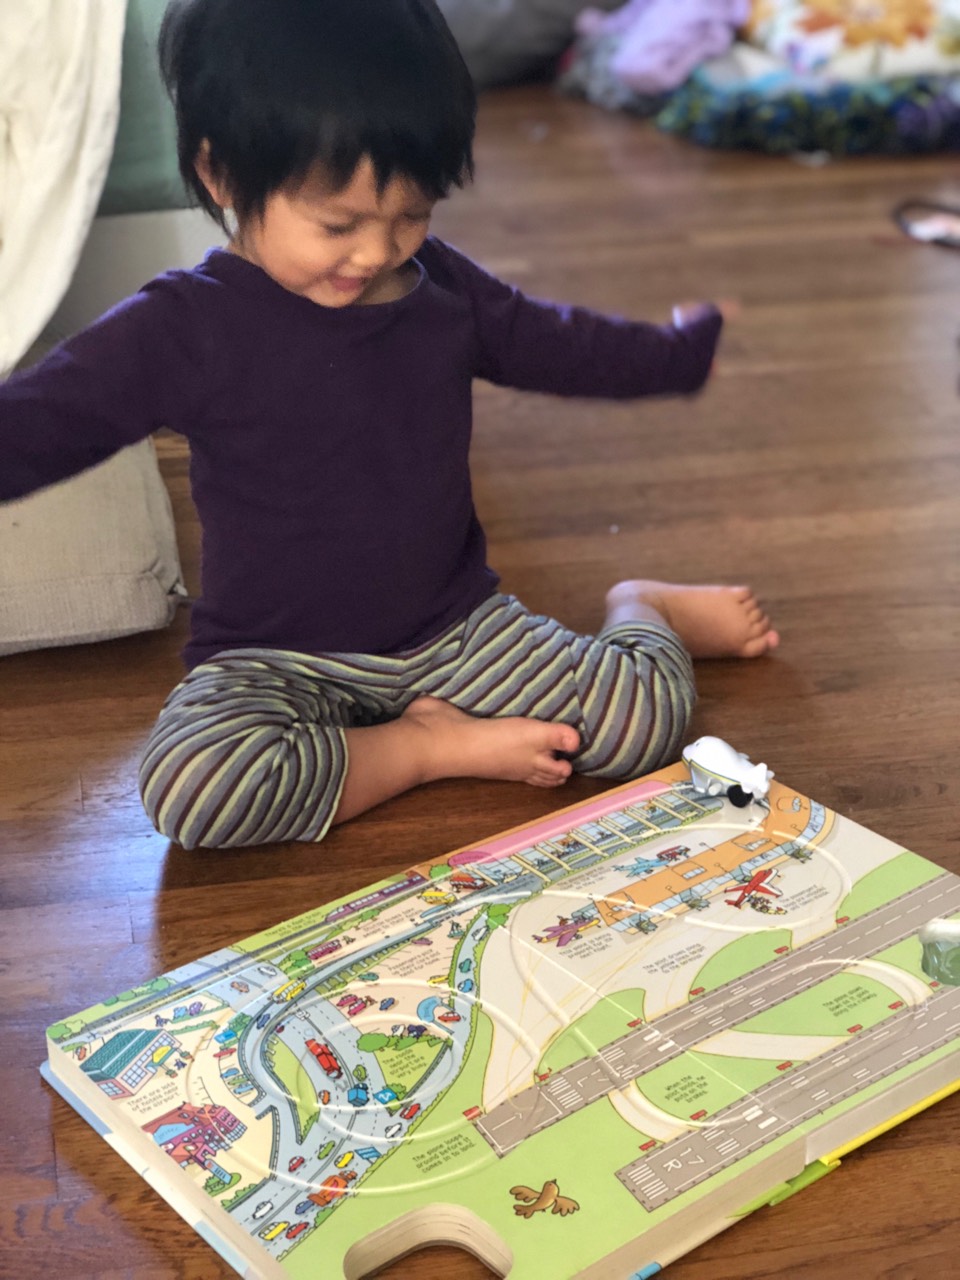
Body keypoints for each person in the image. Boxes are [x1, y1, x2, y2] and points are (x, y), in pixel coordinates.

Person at [0, 0, 778, 850]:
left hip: (454, 628)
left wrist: (677, 352)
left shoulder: (439, 288)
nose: (375, 252)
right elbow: (46, 420)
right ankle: (420, 750)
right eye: (337, 223)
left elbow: (558, 344)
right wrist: (420, 749)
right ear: (221, 176)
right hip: (273, 659)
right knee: (194, 791)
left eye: (412, 215)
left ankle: (643, 605)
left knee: (643, 722)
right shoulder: (181, 328)